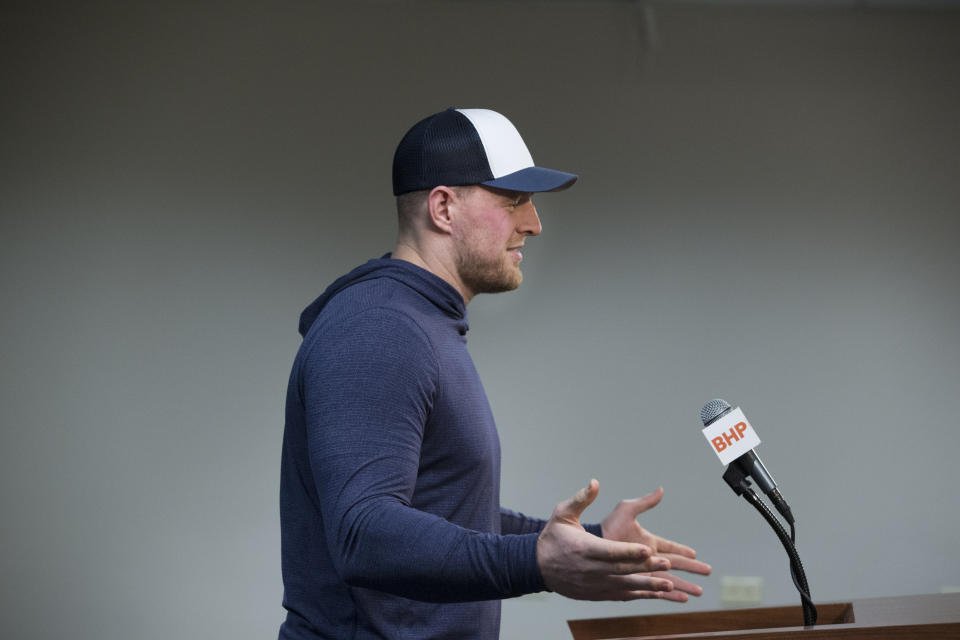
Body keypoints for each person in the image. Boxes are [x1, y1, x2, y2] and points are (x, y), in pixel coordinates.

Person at [278, 107, 711, 639]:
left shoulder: (422, 323)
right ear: (443, 207)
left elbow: (446, 512)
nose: (533, 222)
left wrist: (589, 539)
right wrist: (536, 562)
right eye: (513, 201)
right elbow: (364, 535)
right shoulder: (379, 328)